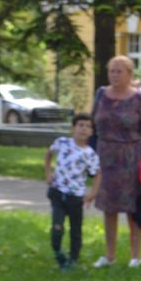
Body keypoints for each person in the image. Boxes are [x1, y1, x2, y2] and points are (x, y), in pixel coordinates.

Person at [92, 55, 141, 269]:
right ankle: (109, 255)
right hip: (105, 157)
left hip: (131, 158)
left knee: (132, 207)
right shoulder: (101, 94)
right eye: (112, 71)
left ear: (129, 74)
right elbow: (92, 124)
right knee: (108, 207)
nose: (115, 75)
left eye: (119, 71)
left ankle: (135, 256)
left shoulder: (139, 99)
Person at [45, 113, 101, 270]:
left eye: (88, 126)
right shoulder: (62, 143)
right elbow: (49, 154)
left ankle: (73, 259)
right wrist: (48, 173)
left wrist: (93, 193)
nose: (84, 129)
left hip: (75, 197)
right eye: (80, 125)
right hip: (57, 192)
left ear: (92, 132)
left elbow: (97, 174)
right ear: (73, 128)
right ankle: (58, 252)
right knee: (57, 227)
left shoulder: (90, 154)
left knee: (76, 230)